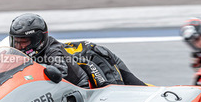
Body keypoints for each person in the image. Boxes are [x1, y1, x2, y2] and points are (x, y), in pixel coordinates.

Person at [9, 13, 145, 87]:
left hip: (96, 58)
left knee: (122, 93)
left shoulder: (53, 52)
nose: (20, 47)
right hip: (80, 57)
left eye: (24, 42)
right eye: (17, 42)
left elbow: (60, 73)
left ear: (38, 40)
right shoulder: (17, 52)